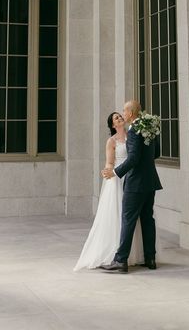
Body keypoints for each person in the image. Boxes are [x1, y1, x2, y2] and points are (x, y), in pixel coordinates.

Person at [73, 112, 144, 271]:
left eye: (120, 116)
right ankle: (116, 254)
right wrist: (108, 170)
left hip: (133, 178)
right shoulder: (111, 141)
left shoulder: (133, 134)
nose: (120, 119)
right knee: (118, 214)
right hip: (118, 179)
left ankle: (136, 253)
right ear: (113, 125)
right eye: (116, 119)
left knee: (133, 216)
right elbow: (110, 162)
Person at [100, 100, 162, 274]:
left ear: (130, 113)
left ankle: (120, 261)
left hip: (135, 183)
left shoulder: (134, 130)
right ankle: (150, 258)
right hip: (151, 181)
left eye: (124, 112)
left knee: (128, 220)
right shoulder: (149, 127)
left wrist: (115, 172)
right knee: (148, 219)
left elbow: (133, 158)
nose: (123, 114)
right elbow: (157, 153)